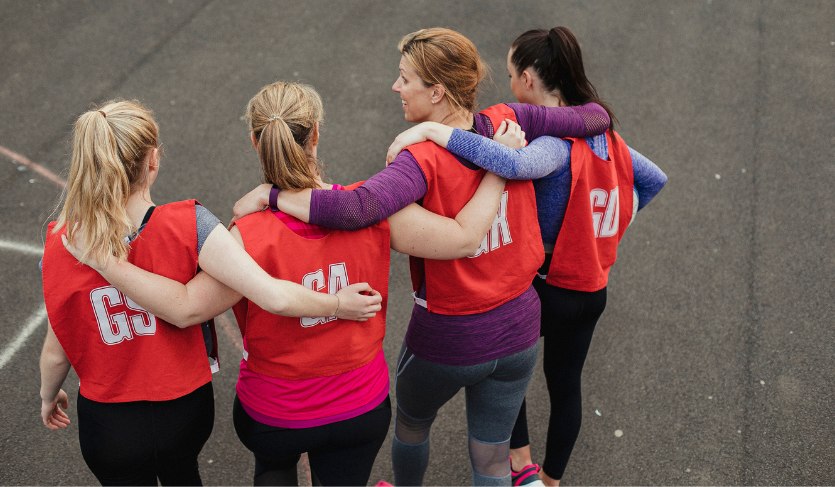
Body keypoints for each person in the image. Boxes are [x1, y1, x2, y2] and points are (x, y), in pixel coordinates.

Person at [65, 83, 511, 486]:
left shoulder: (242, 237)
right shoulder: (373, 210)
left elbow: (186, 306)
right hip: (359, 405)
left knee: (274, 469)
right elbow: (463, 238)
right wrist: (500, 166)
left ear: (255, 141)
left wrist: (105, 259)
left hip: (274, 413)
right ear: (315, 133)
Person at [232, 28, 611, 486]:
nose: (396, 87)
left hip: (451, 333)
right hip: (520, 326)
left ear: (436, 91)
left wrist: (273, 194)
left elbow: (357, 209)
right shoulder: (508, 120)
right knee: (492, 460)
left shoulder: (419, 159)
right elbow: (596, 117)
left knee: (412, 422)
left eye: (404, 78)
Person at [41, 100, 383, 486]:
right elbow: (262, 297)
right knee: (183, 474)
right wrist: (338, 304)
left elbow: (57, 346)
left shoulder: (61, 242)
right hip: (183, 407)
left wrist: (47, 395)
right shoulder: (191, 224)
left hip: (109, 418)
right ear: (153, 160)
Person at [385, 27, 668, 486]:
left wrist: (434, 131)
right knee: (558, 389)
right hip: (584, 288)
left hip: (532, 290)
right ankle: (543, 477)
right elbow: (652, 178)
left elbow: (513, 166)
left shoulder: (546, 142)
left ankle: (517, 466)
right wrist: (606, 233)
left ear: (531, 79)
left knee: (444, 406)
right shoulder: (600, 136)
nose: (510, 81)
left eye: (514, 72)